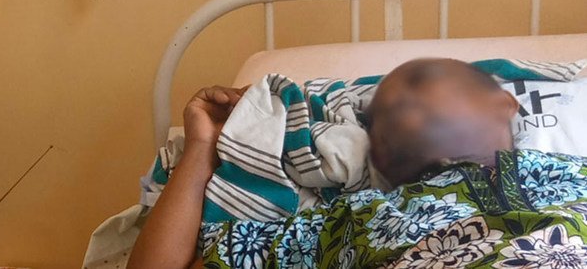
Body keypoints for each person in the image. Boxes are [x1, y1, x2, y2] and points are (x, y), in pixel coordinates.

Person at [129, 58, 587, 269]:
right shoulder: (359, 216)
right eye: (385, 115)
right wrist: (201, 147)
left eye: (429, 88)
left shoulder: (574, 176)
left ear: (503, 104)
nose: (407, 110)